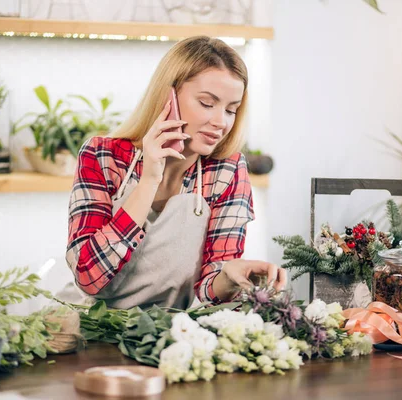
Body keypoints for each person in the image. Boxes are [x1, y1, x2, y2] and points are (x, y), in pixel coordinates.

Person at [66, 36, 286, 310]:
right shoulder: (102, 156)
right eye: (207, 103)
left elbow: (208, 291)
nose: (221, 122)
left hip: (167, 332)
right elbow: (88, 277)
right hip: (92, 325)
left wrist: (228, 277)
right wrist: (149, 180)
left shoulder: (227, 171)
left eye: (231, 109)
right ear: (167, 97)